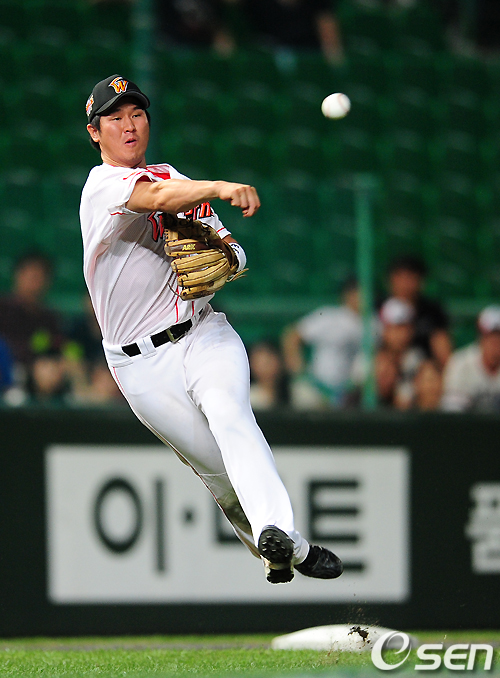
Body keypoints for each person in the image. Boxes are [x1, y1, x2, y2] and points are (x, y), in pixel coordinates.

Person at [80, 74, 342, 584]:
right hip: (140, 366)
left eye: (137, 114)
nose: (129, 125)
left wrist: (228, 258)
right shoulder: (101, 186)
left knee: (229, 413)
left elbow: (230, 247)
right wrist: (220, 187)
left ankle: (279, 531)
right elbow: (157, 198)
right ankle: (284, 552)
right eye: (115, 118)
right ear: (95, 132)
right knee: (219, 475)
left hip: (203, 334)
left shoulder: (172, 177)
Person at [282, 278, 364, 408]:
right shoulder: (330, 316)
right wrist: (300, 372)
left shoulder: (373, 323)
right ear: (348, 294)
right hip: (316, 387)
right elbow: (292, 336)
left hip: (350, 393)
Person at [0, 253, 63, 379]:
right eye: (32, 277)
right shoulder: (3, 309)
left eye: (40, 278)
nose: (35, 284)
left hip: (42, 376)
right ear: (18, 275)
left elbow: (57, 346)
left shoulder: (49, 318)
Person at [385, 254, 452, 369]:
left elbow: (444, 353)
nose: (405, 284)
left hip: (422, 369)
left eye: (410, 278)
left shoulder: (432, 311)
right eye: (401, 277)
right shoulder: (379, 305)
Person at [442, 306, 500, 413]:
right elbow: (453, 412)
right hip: (468, 423)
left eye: (498, 337)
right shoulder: (461, 363)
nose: (495, 342)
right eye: (490, 336)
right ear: (480, 337)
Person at [248, 340, 290, 410]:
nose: (266, 368)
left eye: (268, 362)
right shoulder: (250, 397)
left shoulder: (297, 391)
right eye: (261, 364)